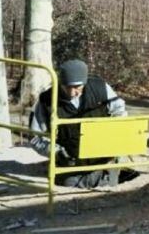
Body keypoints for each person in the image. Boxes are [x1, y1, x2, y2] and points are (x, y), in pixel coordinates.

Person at [28, 59, 138, 188]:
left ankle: (107, 176)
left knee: (123, 173)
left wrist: (116, 140)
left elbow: (120, 113)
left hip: (104, 155)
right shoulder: (46, 100)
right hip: (71, 161)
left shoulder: (100, 88)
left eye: (77, 87)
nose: (72, 92)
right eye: (67, 87)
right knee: (70, 182)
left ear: (85, 82)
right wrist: (56, 152)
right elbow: (35, 137)